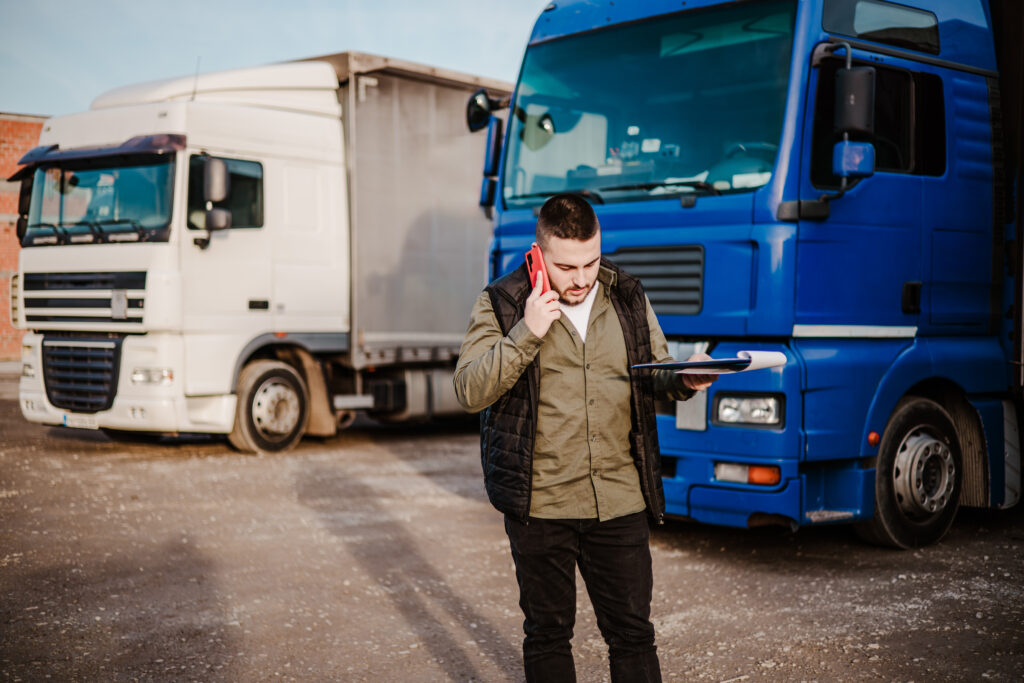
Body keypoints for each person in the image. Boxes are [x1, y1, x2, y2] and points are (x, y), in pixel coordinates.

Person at [453, 193, 716, 682]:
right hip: (540, 506)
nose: (581, 278)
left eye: (591, 262)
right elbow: (469, 390)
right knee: (548, 635)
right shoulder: (503, 301)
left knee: (634, 635)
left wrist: (685, 377)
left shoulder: (627, 295)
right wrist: (527, 334)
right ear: (540, 252)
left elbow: (653, 370)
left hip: (618, 502)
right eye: (567, 267)